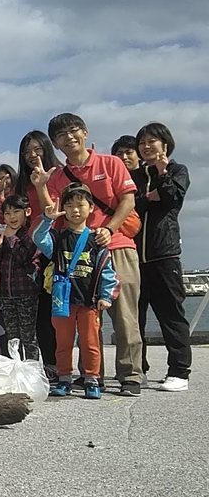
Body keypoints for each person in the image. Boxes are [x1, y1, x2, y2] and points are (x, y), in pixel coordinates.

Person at [32, 113, 142, 396]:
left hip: (116, 245)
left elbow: (128, 199)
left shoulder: (111, 163)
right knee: (87, 318)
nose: (69, 137)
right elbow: (53, 212)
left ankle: (130, 374)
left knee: (124, 314)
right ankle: (93, 376)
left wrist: (109, 228)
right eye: (61, 135)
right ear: (55, 144)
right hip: (76, 253)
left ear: (85, 132)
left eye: (74, 130)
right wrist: (42, 186)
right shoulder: (57, 176)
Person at [34, 185, 118, 400]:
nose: (75, 210)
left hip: (89, 301)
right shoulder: (58, 238)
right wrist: (46, 218)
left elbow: (107, 270)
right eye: (69, 206)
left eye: (80, 205)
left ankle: (92, 379)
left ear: (91, 208)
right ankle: (64, 379)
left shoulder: (97, 240)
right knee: (63, 343)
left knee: (90, 343)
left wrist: (106, 296)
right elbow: (38, 239)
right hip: (62, 301)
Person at [131, 123, 192, 392]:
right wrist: (147, 197)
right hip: (134, 256)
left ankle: (179, 371)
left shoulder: (178, 170)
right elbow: (131, 204)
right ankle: (138, 369)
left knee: (172, 315)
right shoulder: (133, 176)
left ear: (165, 144)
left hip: (164, 254)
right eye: (142, 142)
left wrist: (162, 173)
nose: (146, 146)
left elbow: (170, 197)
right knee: (135, 317)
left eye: (152, 141)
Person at [16, 131, 63, 380]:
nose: (32, 155)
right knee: (40, 313)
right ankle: (50, 366)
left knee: (62, 310)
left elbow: (53, 212)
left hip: (54, 248)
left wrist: (42, 185)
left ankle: (73, 368)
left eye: (37, 149)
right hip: (30, 252)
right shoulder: (21, 182)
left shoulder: (59, 174)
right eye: (26, 151)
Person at [0, 195, 40, 360]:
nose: (12, 217)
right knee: (12, 336)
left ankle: (33, 370)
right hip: (6, 293)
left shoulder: (29, 235)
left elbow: (23, 258)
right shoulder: (3, 236)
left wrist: (11, 239)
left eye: (16, 211)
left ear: (27, 212)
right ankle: (15, 369)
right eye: (7, 213)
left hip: (26, 292)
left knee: (28, 336)